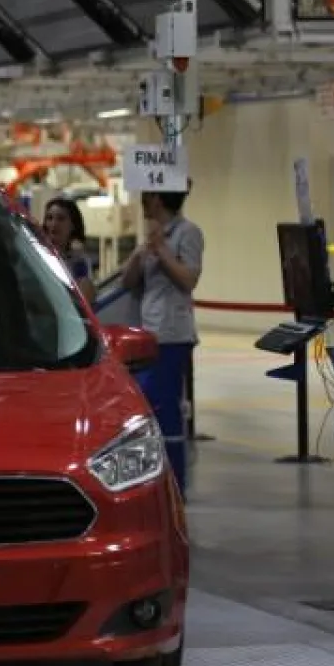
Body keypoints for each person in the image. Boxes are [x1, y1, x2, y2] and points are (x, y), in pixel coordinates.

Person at [122, 187, 204, 497]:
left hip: (172, 334)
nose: (141, 200)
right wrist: (140, 254)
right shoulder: (150, 238)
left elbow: (189, 279)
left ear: (157, 199)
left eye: (146, 195)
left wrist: (162, 251)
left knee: (166, 409)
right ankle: (153, 483)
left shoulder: (189, 233)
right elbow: (128, 283)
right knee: (149, 409)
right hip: (147, 333)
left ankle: (175, 487)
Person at [42, 197, 96, 302]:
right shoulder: (37, 253)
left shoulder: (79, 260)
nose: (54, 224)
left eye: (61, 218)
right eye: (49, 218)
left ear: (73, 225)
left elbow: (85, 297)